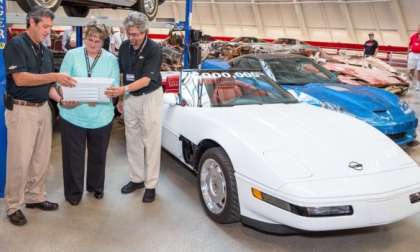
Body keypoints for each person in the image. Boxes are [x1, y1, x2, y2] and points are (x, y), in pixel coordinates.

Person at [3, 7, 75, 226]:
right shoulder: (15, 45)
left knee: (41, 158)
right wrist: (54, 75)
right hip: (22, 110)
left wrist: (61, 99)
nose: (48, 31)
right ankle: (14, 205)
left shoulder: (44, 51)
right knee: (19, 161)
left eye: (50, 27)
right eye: (45, 26)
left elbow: (49, 85)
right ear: (31, 23)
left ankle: (35, 196)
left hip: (44, 107)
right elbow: (21, 79)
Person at [49, 21, 120, 206]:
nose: (93, 44)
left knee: (98, 155)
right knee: (73, 157)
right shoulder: (72, 55)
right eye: (90, 39)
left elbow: (115, 88)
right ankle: (73, 193)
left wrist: (107, 94)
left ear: (103, 41)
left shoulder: (111, 60)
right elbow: (61, 82)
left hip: (101, 117)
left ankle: (95, 187)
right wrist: (64, 94)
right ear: (85, 37)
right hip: (73, 115)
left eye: (97, 40)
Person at [106, 12, 163, 203]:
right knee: (133, 139)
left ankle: (151, 185)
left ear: (145, 31)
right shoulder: (124, 47)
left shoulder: (154, 49)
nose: (133, 38)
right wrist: (122, 98)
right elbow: (123, 74)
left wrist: (124, 90)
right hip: (130, 97)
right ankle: (137, 179)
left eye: (136, 34)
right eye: (130, 34)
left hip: (150, 97)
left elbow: (147, 79)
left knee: (151, 141)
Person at [408, 25, 420, 91]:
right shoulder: (413, 35)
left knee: (419, 71)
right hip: (412, 54)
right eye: (418, 28)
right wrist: (408, 53)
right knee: (411, 69)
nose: (418, 30)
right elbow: (409, 44)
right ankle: (410, 83)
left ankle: (418, 86)